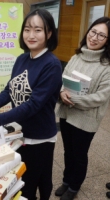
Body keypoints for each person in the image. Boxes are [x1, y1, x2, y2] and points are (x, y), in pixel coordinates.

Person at [0, 9, 62, 200]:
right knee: (25, 180)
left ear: (48, 34)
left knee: (36, 181)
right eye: (27, 29)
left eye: (38, 30)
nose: (31, 35)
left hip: (40, 137)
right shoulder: (22, 58)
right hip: (21, 132)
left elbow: (33, 104)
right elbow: (9, 90)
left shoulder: (52, 65)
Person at [55, 17, 110, 200]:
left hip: (86, 119)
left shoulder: (106, 66)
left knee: (79, 154)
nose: (94, 38)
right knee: (67, 151)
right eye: (93, 32)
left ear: (107, 40)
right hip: (67, 112)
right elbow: (62, 79)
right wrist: (62, 92)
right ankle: (66, 180)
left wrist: (75, 99)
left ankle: (74, 186)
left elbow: (101, 97)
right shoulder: (76, 57)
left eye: (101, 36)